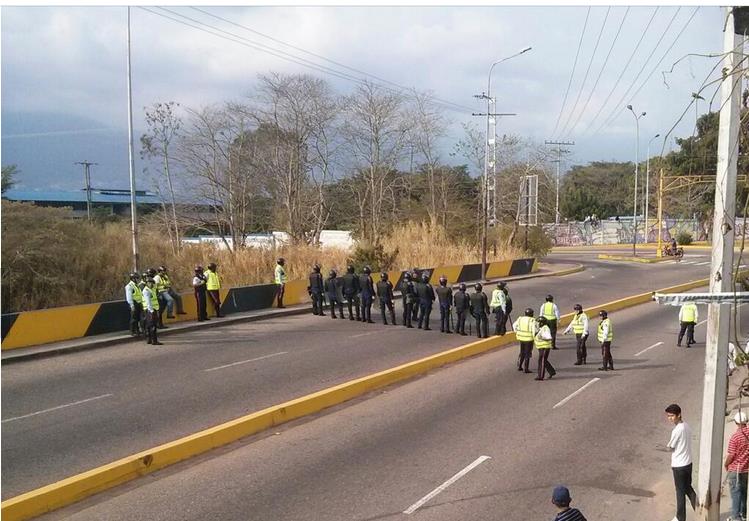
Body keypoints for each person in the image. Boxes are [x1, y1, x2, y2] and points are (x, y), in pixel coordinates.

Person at [664, 403, 696, 521]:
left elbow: (671, 447)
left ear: (679, 415)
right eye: (668, 416)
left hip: (679, 465)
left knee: (680, 492)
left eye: (672, 416)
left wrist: (667, 448)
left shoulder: (677, 430)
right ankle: (700, 510)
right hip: (688, 463)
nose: (670, 418)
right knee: (688, 488)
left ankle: (680, 517)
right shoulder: (686, 426)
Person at [725, 411, 749, 521]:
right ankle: (744, 515)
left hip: (736, 469)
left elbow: (731, 455)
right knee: (744, 494)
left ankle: (735, 517)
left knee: (735, 494)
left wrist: (726, 464)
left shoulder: (735, 437)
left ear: (736, 422)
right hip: (746, 469)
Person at [513, 308, 536, 373]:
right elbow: (534, 330)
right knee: (527, 354)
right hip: (529, 339)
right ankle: (526, 368)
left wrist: (517, 332)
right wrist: (535, 337)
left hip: (521, 338)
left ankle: (520, 366)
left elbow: (514, 325)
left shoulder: (520, 319)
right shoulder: (532, 320)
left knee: (522, 352)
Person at [141, 278, 163, 345]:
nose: (151, 284)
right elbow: (148, 302)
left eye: (152, 283)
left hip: (150, 309)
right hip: (150, 310)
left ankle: (149, 340)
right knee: (153, 326)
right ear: (147, 283)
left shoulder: (151, 289)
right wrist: (151, 311)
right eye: (149, 283)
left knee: (149, 325)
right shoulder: (146, 291)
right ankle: (154, 340)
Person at [534, 316, 556, 381]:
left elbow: (549, 337)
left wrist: (541, 337)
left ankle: (540, 376)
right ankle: (552, 371)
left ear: (541, 323)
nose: (537, 323)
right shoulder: (540, 328)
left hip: (544, 347)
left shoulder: (545, 328)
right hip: (540, 347)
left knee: (541, 361)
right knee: (544, 360)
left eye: (538, 322)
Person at [125, 272, 143, 336]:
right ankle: (132, 331)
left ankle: (137, 330)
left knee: (138, 318)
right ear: (133, 279)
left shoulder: (136, 285)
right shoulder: (129, 286)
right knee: (133, 318)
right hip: (134, 303)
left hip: (139, 303)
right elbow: (129, 297)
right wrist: (132, 305)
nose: (137, 279)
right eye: (136, 278)